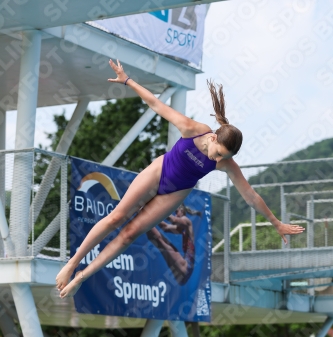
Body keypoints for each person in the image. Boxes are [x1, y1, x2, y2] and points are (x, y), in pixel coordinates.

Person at [56, 59, 305, 298]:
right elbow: (156, 104)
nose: (218, 161)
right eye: (218, 154)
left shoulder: (226, 163)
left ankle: (81, 277)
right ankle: (72, 264)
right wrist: (127, 80)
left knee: (129, 234)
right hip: (160, 172)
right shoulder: (192, 129)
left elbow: (250, 196)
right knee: (117, 217)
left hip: (175, 193)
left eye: (224, 158)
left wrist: (275, 223)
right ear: (214, 138)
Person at [147, 203, 201, 285]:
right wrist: (152, 216)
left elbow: (174, 220)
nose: (175, 214)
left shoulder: (186, 221)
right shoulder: (181, 228)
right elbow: (165, 227)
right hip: (183, 273)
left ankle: (144, 217)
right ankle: (144, 219)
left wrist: (156, 210)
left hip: (186, 267)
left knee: (161, 243)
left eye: (176, 212)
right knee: (159, 242)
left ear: (182, 211)